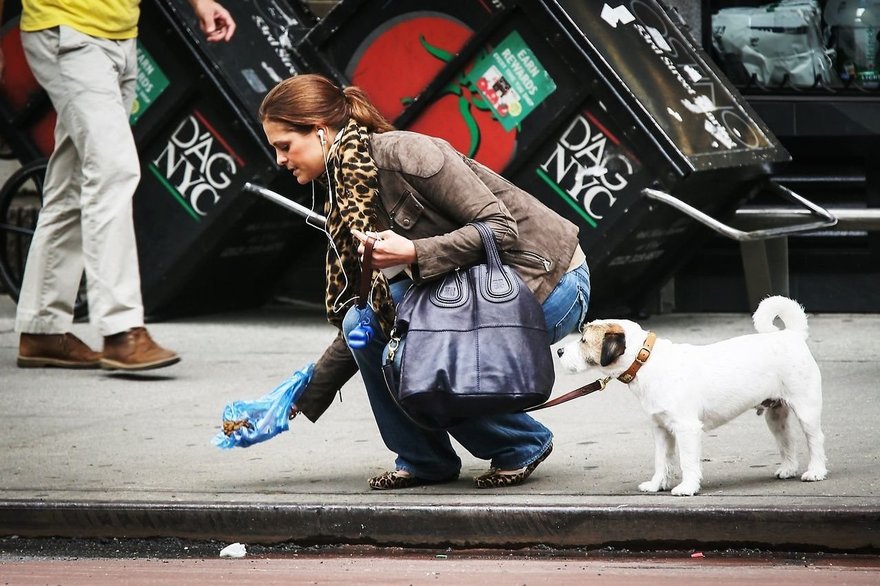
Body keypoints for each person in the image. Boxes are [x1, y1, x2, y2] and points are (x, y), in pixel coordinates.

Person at [259, 74, 591, 490]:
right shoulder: (347, 190)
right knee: (361, 325)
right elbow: (371, 315)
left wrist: (415, 253)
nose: (279, 160)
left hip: (544, 279)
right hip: (462, 291)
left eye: (284, 146)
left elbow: (500, 227)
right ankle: (423, 459)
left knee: (423, 356)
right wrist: (304, 394)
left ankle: (521, 442)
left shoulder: (408, 155)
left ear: (320, 131)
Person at [13, 0, 235, 370]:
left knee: (74, 182)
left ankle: (42, 328)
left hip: (120, 36)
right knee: (113, 170)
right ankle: (121, 330)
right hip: (68, 30)